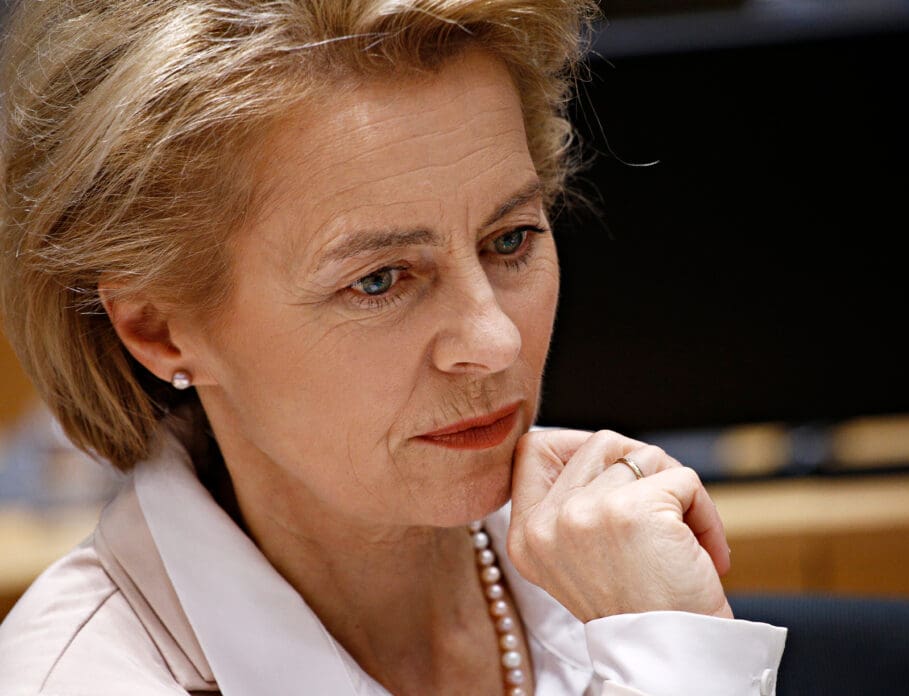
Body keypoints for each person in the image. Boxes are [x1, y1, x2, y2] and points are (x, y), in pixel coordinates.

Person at [0, 1, 786, 694]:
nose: (494, 338)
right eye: (379, 281)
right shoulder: (75, 679)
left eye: (510, 239)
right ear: (156, 327)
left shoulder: (618, 572)